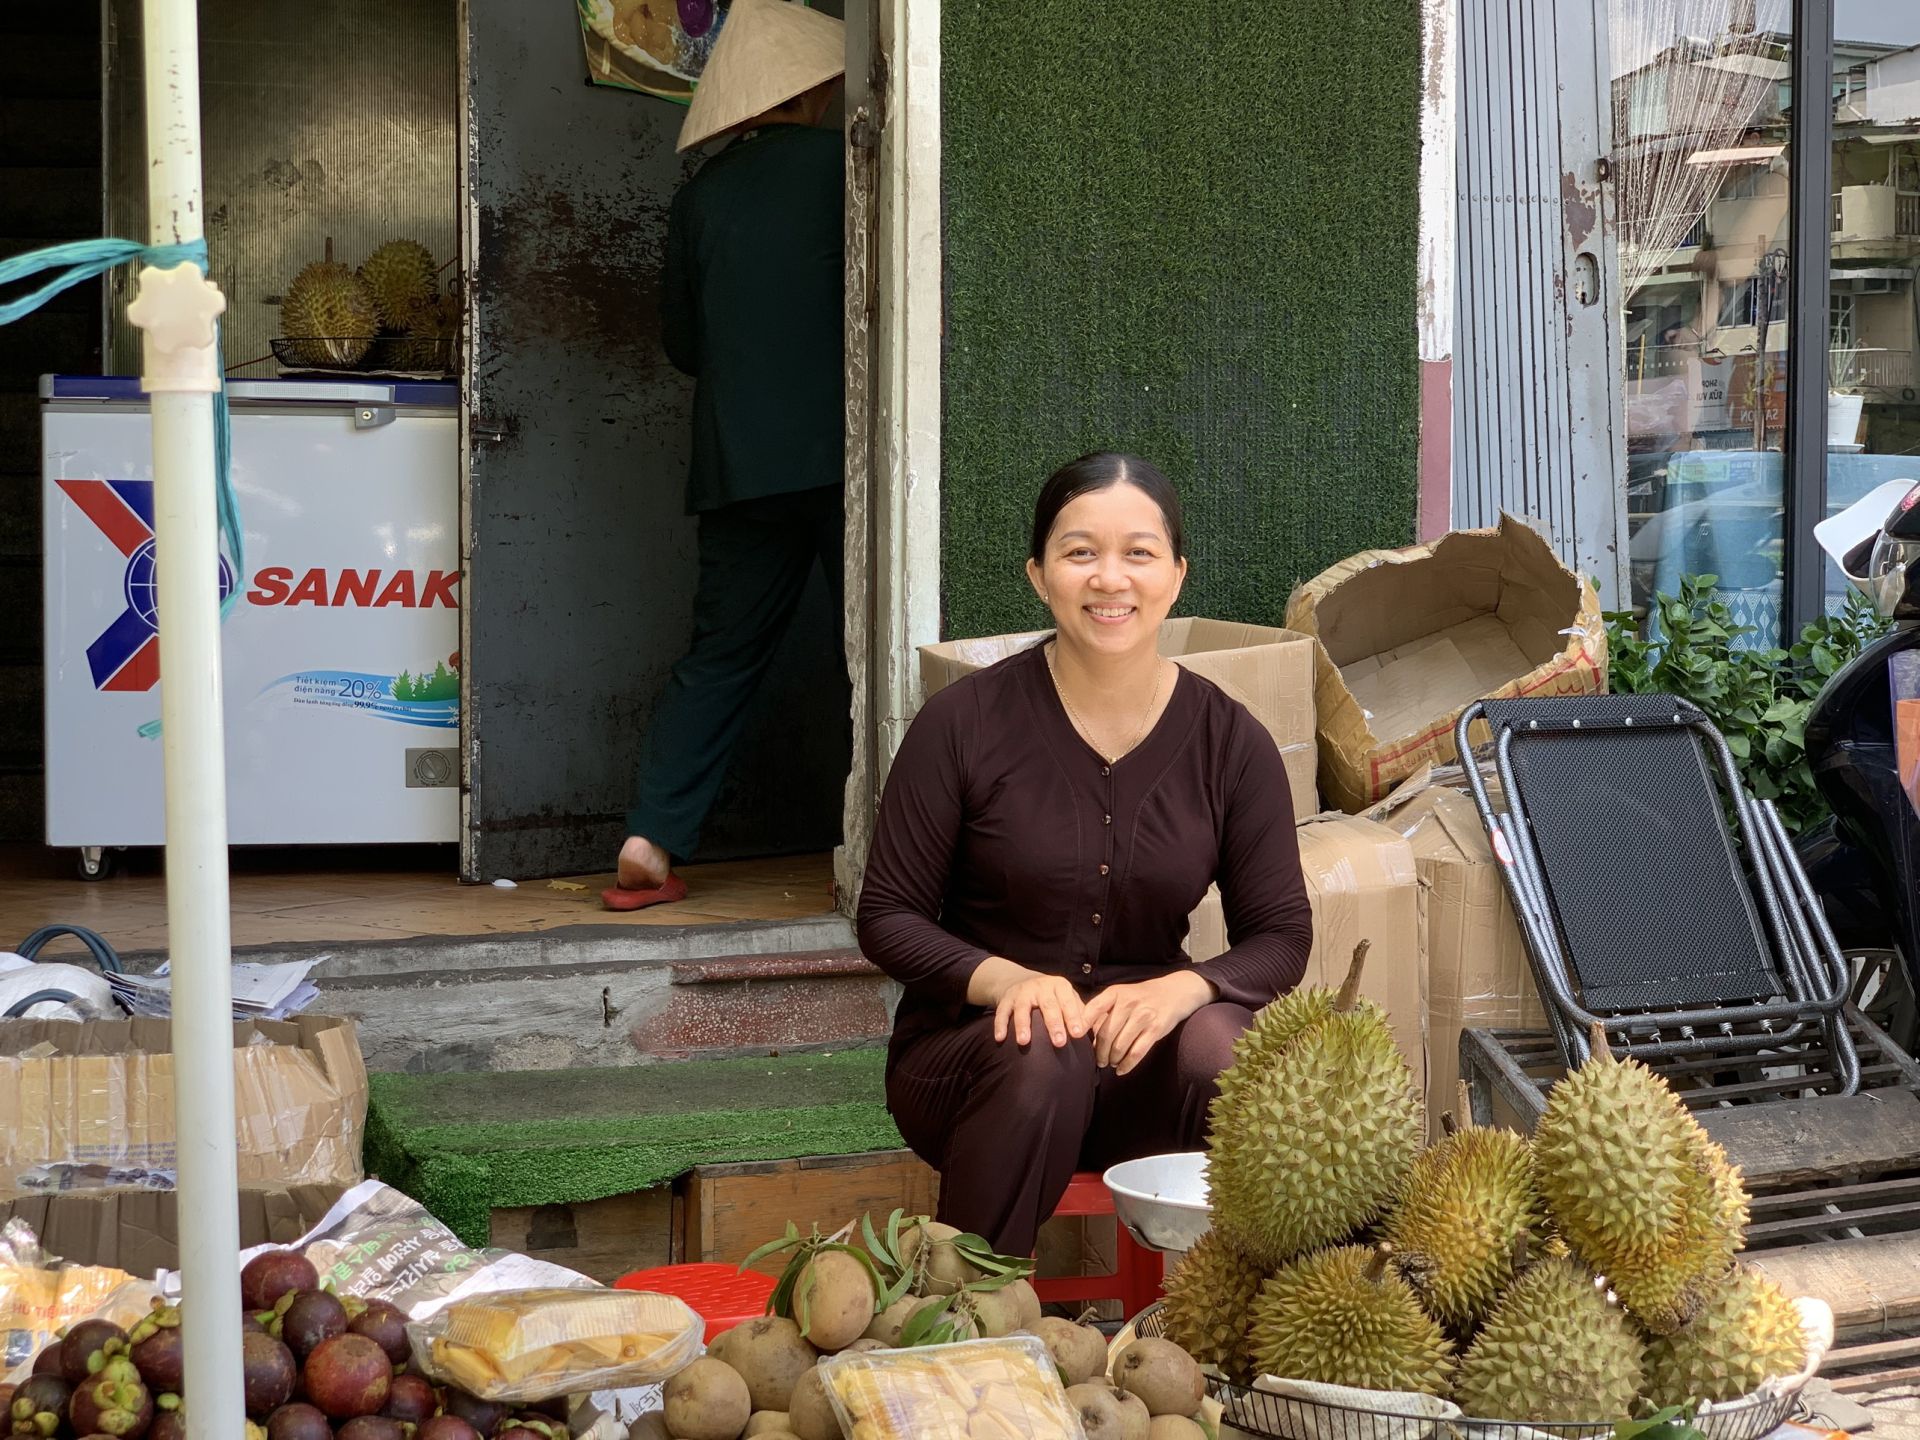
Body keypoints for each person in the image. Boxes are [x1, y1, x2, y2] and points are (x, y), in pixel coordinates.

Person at [856, 452, 1314, 1255]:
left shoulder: (1230, 742)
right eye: (1079, 553)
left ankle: (1229, 1333)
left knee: (1226, 1046)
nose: (1111, 579)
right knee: (1042, 1043)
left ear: (1175, 575)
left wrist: (1188, 989)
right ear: (1039, 575)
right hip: (979, 1065)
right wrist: (1010, 982)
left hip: (1144, 1069)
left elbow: (1281, 935)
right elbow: (886, 917)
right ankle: (970, 1319)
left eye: (1139, 553)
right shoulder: (962, 726)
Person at [607, 0, 848, 910]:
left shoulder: (702, 195)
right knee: (861, 656)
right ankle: (893, 845)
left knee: (719, 657)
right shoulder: (847, 166)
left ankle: (651, 837)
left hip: (738, 467)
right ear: (819, 88)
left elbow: (685, 344)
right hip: (841, 460)